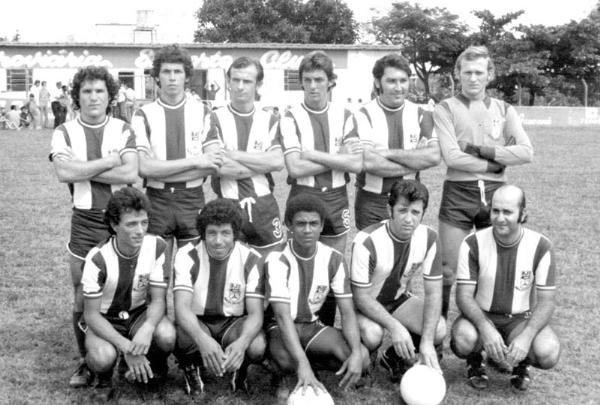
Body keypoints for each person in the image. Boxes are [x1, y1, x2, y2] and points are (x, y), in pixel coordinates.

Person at [49, 66, 138, 388]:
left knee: (129, 289)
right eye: (86, 91)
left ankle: (136, 353)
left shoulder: (123, 127)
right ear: (78, 97)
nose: (93, 97)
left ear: (110, 96)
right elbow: (63, 173)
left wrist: (82, 168)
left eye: (99, 90)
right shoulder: (64, 131)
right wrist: (109, 161)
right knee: (80, 294)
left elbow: (131, 174)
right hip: (84, 219)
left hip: (120, 219)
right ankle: (86, 361)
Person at [433, 45, 534, 319]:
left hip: (495, 195)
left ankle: (483, 334)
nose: (473, 78)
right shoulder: (445, 109)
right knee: (447, 268)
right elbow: (452, 157)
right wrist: (494, 164)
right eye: (467, 72)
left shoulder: (504, 109)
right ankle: (440, 332)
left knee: (491, 268)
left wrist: (484, 151)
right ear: (458, 74)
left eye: (479, 72)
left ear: (490, 74)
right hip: (458, 193)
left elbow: (526, 152)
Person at [279, 51, 363, 327]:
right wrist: (336, 156)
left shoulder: (346, 115)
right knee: (299, 264)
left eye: (319, 79)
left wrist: (314, 154)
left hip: (338, 199)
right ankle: (295, 325)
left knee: (333, 267)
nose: (313, 85)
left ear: (330, 82)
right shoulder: (290, 117)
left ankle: (324, 329)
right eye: (307, 80)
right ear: (301, 83)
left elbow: (356, 163)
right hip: (303, 197)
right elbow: (295, 168)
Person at [450, 185, 560, 391]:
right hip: (482, 314)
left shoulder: (541, 246)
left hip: (519, 319)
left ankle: (522, 362)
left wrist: (526, 337)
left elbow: (547, 301)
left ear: (523, 214)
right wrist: (485, 328)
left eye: (508, 212)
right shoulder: (472, 243)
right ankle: (475, 359)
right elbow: (464, 296)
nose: (500, 218)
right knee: (464, 339)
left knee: (548, 352)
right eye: (496, 211)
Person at [132, 44, 224, 280]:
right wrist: (195, 162)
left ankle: (187, 318)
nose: (172, 78)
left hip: (191, 200)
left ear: (187, 77)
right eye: (166, 72)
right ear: (156, 77)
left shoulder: (203, 111)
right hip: (157, 200)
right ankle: (157, 317)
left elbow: (212, 163)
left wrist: (162, 169)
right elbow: (143, 168)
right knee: (155, 273)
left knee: (192, 273)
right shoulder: (143, 114)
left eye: (178, 72)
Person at [265, 195, 369, 401]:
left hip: (312, 326)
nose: (307, 229)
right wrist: (301, 365)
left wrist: (356, 352)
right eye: (300, 224)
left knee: (363, 358)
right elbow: (282, 316)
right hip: (280, 326)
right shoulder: (277, 259)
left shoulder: (334, 258)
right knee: (286, 360)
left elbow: (347, 313)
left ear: (322, 225)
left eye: (313, 223)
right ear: (289, 226)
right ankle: (282, 371)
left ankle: (309, 363)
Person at [81, 187, 176, 400]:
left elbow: (159, 300)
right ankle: (103, 379)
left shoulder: (158, 246)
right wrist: (126, 347)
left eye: (144, 222)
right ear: (114, 225)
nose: (140, 230)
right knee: (103, 356)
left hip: (137, 313)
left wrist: (148, 328)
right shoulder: (97, 259)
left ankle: (155, 368)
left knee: (167, 335)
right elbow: (91, 315)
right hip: (106, 317)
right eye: (131, 224)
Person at [351, 180, 445, 382]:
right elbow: (360, 297)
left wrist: (427, 342)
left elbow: (434, 293)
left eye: (415, 212)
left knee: (438, 329)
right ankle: (366, 358)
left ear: (423, 213)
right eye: (402, 210)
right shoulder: (366, 241)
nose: (409, 219)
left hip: (397, 300)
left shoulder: (430, 238)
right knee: (373, 333)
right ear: (389, 209)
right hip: (365, 304)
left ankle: (393, 358)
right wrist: (395, 327)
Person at [173, 199, 266, 396]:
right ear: (203, 233)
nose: (218, 240)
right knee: (180, 335)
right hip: (199, 321)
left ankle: (239, 368)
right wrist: (202, 339)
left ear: (235, 234)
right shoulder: (186, 255)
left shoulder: (252, 258)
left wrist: (241, 344)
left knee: (256, 345)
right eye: (212, 233)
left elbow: (256, 314)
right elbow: (181, 308)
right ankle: (191, 367)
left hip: (232, 322)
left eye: (225, 233)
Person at [206, 56, 285, 256]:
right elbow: (219, 166)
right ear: (228, 82)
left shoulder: (270, 119)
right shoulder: (213, 119)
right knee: (230, 271)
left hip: (264, 205)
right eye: (235, 80)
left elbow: (277, 161)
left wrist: (234, 154)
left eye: (247, 81)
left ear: (258, 85)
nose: (240, 87)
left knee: (271, 268)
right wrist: (262, 162)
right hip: (227, 205)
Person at [355, 54, 440, 230]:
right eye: (391, 81)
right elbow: (369, 162)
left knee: (405, 256)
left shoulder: (421, 114)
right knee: (372, 254)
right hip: (373, 201)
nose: (399, 87)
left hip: (410, 200)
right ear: (378, 82)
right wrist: (416, 160)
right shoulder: (363, 115)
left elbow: (434, 156)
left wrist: (386, 153)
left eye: (403, 80)